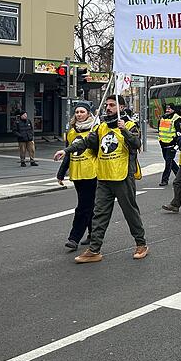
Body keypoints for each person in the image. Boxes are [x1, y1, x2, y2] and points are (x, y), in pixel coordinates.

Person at [54, 95, 148, 263]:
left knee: (130, 212)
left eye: (112, 105)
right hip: (104, 177)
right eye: (107, 105)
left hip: (122, 176)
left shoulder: (131, 125)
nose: (108, 108)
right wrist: (67, 151)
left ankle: (141, 244)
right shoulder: (101, 127)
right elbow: (85, 142)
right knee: (99, 214)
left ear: (122, 107)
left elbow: (136, 144)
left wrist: (124, 130)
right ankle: (94, 249)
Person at [56, 102, 97, 251]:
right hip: (77, 173)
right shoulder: (72, 132)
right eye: (77, 112)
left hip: (92, 173)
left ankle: (74, 238)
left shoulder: (96, 129)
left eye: (82, 111)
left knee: (83, 207)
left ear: (88, 113)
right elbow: (68, 153)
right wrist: (61, 173)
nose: (79, 114)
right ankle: (93, 234)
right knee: (89, 206)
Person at [157, 103, 181, 186]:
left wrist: (176, 143)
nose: (167, 110)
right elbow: (160, 129)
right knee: (170, 161)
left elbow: (179, 132)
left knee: (168, 162)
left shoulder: (176, 118)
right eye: (167, 108)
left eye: (169, 109)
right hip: (163, 144)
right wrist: (160, 140)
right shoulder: (163, 118)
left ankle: (164, 180)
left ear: (173, 110)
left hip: (171, 144)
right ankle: (180, 176)